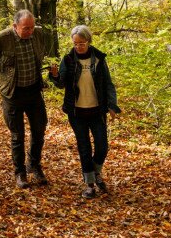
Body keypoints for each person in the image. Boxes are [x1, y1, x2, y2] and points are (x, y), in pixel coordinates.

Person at [48, 25, 121, 198]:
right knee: (84, 148)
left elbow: (108, 84)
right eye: (75, 44)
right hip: (77, 112)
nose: (78, 47)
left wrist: (112, 105)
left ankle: (96, 172)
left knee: (102, 147)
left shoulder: (99, 59)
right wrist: (55, 75)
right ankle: (89, 184)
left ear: (88, 41)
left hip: (97, 111)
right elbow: (61, 84)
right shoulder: (68, 59)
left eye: (81, 43)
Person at [0, 10, 50, 189]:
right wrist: (4, 82)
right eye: (25, 28)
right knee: (17, 135)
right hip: (12, 95)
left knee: (39, 129)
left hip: (34, 92)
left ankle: (34, 165)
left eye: (31, 27)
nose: (30, 31)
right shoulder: (1, 39)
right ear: (15, 26)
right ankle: (20, 172)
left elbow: (41, 57)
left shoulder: (38, 34)